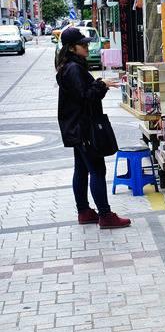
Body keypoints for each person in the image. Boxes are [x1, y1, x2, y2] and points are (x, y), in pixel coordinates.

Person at [56, 27, 131, 229]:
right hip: (84, 128)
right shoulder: (73, 68)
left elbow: (83, 93)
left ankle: (84, 211)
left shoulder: (69, 66)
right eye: (83, 44)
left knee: (81, 169)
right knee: (97, 169)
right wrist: (102, 85)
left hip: (77, 127)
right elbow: (86, 96)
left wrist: (100, 84)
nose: (87, 47)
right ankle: (105, 215)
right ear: (72, 48)